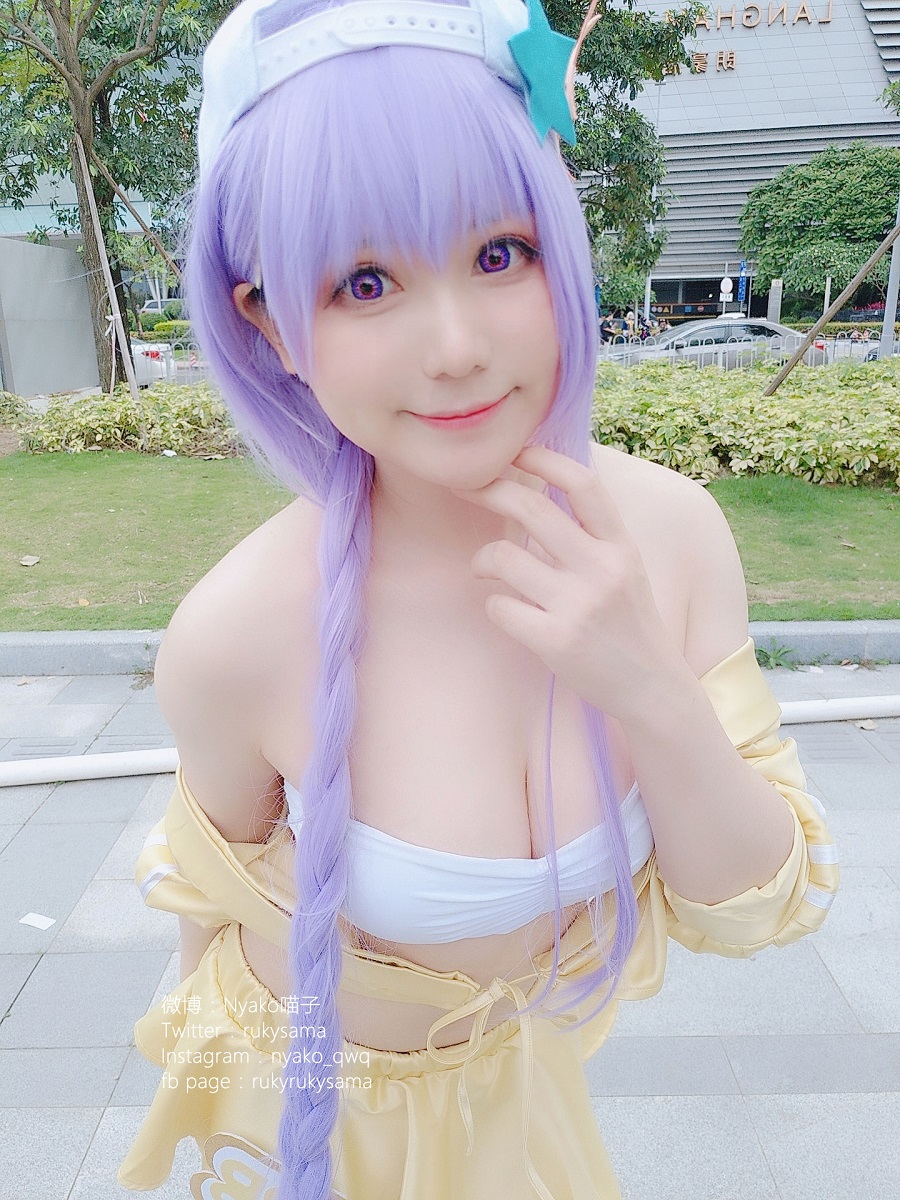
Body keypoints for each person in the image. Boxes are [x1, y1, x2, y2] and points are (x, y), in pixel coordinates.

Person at [117, 1, 840, 1198]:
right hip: (302, 1121)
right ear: (271, 325)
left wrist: (644, 681)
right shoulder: (237, 632)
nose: (454, 345)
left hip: (516, 1099)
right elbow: (208, 914)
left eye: (499, 254)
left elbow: (754, 911)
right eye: (364, 281)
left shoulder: (670, 536)